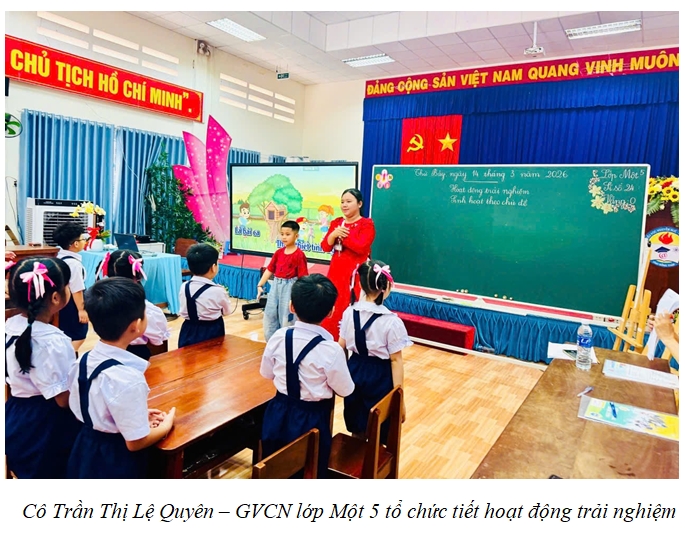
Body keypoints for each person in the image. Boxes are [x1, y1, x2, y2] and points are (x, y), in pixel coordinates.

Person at [66, 277, 175, 478]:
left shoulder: (82, 361)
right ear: (136, 325)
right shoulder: (127, 379)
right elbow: (136, 442)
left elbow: (94, 406)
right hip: (114, 459)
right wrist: (166, 425)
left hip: (84, 447)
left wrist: (138, 414)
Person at [260, 274, 355, 478]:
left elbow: (266, 373)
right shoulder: (331, 350)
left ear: (291, 306)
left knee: (274, 467)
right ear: (330, 312)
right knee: (309, 471)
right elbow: (346, 390)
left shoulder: (278, 337)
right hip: (312, 421)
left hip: (278, 412)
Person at [5, 257, 82, 478]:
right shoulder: (52, 341)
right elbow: (63, 400)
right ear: (56, 297)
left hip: (16, 414)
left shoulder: (9, 326)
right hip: (46, 426)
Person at [339, 260, 409, 442]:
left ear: (361, 285)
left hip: (354, 370)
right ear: (385, 287)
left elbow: (341, 347)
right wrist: (399, 399)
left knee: (356, 427)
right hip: (380, 376)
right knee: (379, 427)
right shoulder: (391, 321)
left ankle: (355, 456)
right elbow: (396, 361)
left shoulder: (349, 312)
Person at [320, 188, 376, 338]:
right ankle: (331, 345)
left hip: (355, 277)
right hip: (335, 274)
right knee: (333, 308)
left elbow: (361, 247)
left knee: (352, 310)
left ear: (359, 204)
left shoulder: (366, 224)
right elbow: (325, 247)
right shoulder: (337, 222)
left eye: (349, 201)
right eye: (342, 202)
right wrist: (333, 235)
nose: (344, 205)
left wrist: (344, 236)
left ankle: (351, 345)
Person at [96, 249, 171, 360]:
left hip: (104, 354)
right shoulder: (144, 309)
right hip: (136, 356)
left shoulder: (99, 303)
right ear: (137, 276)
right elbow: (158, 338)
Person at [257, 220, 309, 341]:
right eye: (282, 234)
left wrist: (299, 295)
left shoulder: (299, 255)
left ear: (296, 236)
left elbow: (303, 277)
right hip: (276, 286)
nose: (284, 237)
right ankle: (271, 342)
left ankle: (286, 343)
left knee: (287, 317)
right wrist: (260, 285)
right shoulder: (279, 252)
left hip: (290, 288)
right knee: (270, 313)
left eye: (288, 234)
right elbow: (270, 269)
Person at [178, 243, 230, 348]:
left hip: (187, 329)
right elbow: (227, 312)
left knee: (187, 355)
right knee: (212, 355)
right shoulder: (218, 291)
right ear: (213, 267)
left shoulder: (184, 286)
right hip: (212, 331)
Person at [53, 221, 89, 351]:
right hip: (72, 304)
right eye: (83, 239)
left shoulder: (59, 257)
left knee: (67, 333)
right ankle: (68, 357)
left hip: (61, 302)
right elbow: (77, 289)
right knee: (79, 335)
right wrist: (81, 310)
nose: (85, 241)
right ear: (76, 244)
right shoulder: (74, 264)